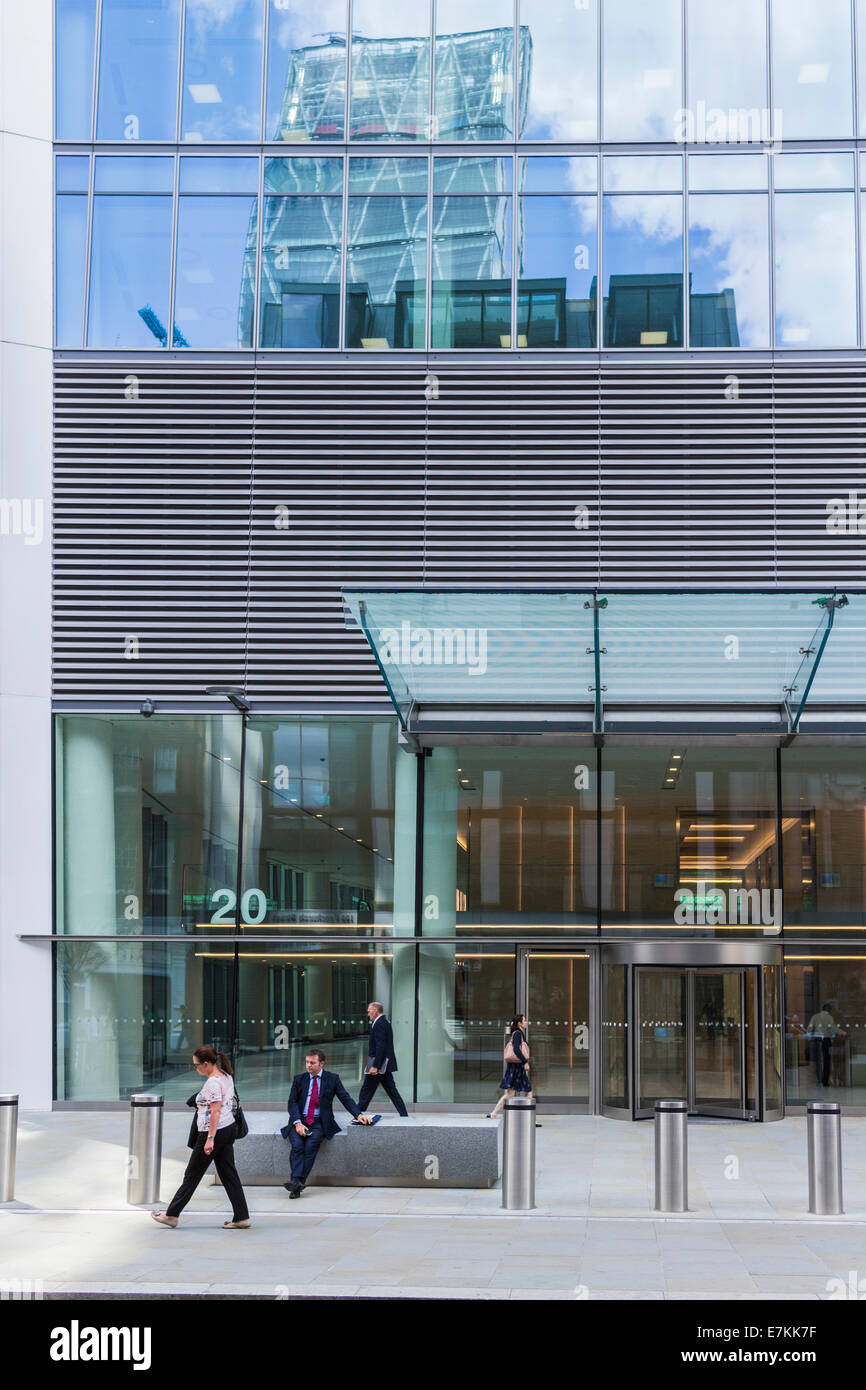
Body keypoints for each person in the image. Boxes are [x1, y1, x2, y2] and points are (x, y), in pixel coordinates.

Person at [152, 1045, 250, 1229]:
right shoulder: (226, 1076)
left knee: (192, 1174)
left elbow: (215, 1111)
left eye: (196, 1065)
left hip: (214, 1131)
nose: (195, 1068)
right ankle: (242, 1216)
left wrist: (210, 1138)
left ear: (206, 1064)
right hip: (228, 1128)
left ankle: (172, 1215)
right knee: (229, 1174)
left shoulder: (213, 1082)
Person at [281, 1049, 373, 1198]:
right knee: (297, 1146)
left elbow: (345, 1098)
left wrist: (358, 1114)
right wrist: (297, 1123)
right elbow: (292, 1103)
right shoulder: (299, 1079)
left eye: (312, 1063)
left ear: (321, 1064)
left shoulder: (332, 1079)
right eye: (307, 1062)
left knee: (311, 1146)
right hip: (300, 1120)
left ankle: (296, 1183)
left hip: (319, 1122)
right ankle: (297, 1184)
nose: (308, 1066)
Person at [357, 1001, 409, 1117]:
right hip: (384, 1064)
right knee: (391, 1091)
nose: (368, 1014)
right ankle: (404, 1114)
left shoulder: (380, 1024)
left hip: (379, 1064)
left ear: (375, 1010)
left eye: (369, 1011)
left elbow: (381, 1046)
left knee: (366, 1090)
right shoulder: (383, 1022)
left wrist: (375, 1066)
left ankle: (357, 1114)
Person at [486, 1014, 537, 1121]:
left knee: (513, 1093)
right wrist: (525, 1062)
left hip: (515, 1068)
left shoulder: (519, 1033)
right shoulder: (518, 1033)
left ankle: (494, 1113)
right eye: (524, 1020)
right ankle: (531, 1119)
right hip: (517, 1068)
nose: (526, 1022)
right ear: (519, 1023)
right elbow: (516, 1050)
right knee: (526, 1091)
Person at [807, 1002, 836, 1087]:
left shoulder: (815, 1016)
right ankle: (825, 1081)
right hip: (826, 1040)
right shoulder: (829, 1017)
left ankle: (819, 1079)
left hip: (816, 1040)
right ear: (829, 1011)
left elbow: (809, 1028)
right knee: (827, 1060)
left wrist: (810, 1034)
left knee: (818, 1060)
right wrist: (843, 1033)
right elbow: (833, 1029)